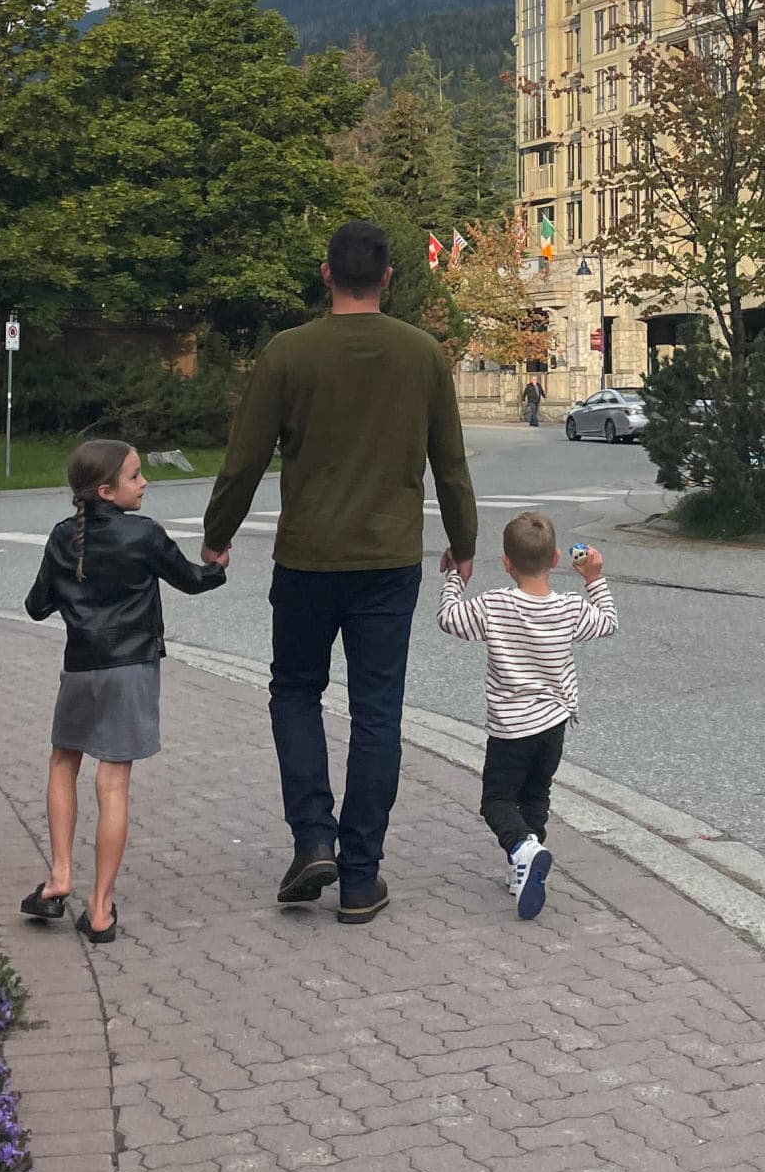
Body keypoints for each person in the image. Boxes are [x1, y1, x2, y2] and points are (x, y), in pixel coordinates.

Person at [201, 217, 477, 926]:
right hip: (388, 561)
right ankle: (360, 876)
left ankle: (313, 836)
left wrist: (218, 536)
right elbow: (449, 461)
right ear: (388, 277)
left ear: (326, 274)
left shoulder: (287, 353)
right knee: (377, 712)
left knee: (294, 690)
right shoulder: (422, 355)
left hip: (306, 557)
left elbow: (245, 457)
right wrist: (463, 539)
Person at [22, 437, 223, 943]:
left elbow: (36, 606)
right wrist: (218, 565)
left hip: (81, 668)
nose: (144, 482)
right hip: (131, 669)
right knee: (112, 784)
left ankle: (60, 875)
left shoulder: (63, 536)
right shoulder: (144, 535)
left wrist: (73, 590)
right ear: (107, 490)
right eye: (135, 476)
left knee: (63, 761)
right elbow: (192, 581)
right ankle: (100, 907)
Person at [438, 512, 616, 922]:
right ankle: (523, 872)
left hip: (510, 726)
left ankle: (522, 848)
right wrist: (593, 578)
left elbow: (449, 618)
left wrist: (454, 579)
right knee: (536, 795)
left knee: (496, 800)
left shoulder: (495, 604)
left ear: (505, 562)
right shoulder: (571, 609)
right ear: (556, 559)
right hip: (553, 725)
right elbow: (607, 621)